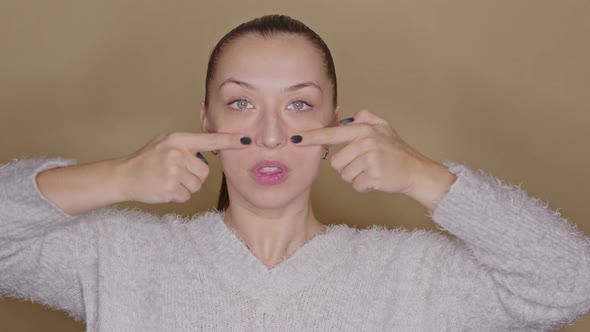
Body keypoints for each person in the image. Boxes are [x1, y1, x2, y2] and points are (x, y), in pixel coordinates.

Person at [1, 14, 589, 331]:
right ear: (203, 121)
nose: (272, 134)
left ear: (340, 123)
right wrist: (118, 177)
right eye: (240, 103)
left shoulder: (411, 277)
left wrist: (421, 176)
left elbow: (571, 283)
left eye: (300, 104)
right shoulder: (120, 258)